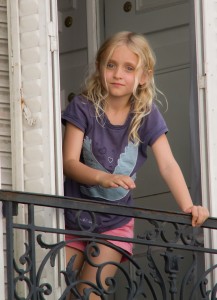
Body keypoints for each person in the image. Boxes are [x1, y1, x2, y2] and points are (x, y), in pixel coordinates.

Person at [62, 31, 209, 299]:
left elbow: (168, 165)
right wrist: (102, 178)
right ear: (99, 68)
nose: (118, 74)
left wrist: (189, 205)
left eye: (129, 68)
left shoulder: (147, 115)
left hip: (115, 222)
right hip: (72, 216)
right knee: (57, 289)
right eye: (111, 65)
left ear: (143, 76)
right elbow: (69, 163)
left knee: (87, 293)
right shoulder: (82, 107)